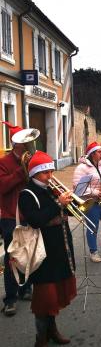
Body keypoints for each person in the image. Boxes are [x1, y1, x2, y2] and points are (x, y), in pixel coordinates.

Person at [18, 151, 76, 347]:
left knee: (56, 294)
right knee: (45, 300)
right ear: (34, 174)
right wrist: (58, 203)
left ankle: (52, 331)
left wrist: (70, 202)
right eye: (45, 172)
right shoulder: (27, 193)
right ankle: (39, 342)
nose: (50, 175)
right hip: (42, 254)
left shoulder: (52, 190)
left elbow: (64, 212)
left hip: (60, 248)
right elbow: (36, 220)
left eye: (51, 170)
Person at [0, 121, 32, 317]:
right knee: (12, 257)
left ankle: (25, 288)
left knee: (27, 253)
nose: (28, 145)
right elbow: (2, 187)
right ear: (15, 144)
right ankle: (10, 298)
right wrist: (22, 170)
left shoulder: (30, 159)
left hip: (28, 214)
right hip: (10, 216)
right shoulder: (4, 162)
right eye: (24, 142)